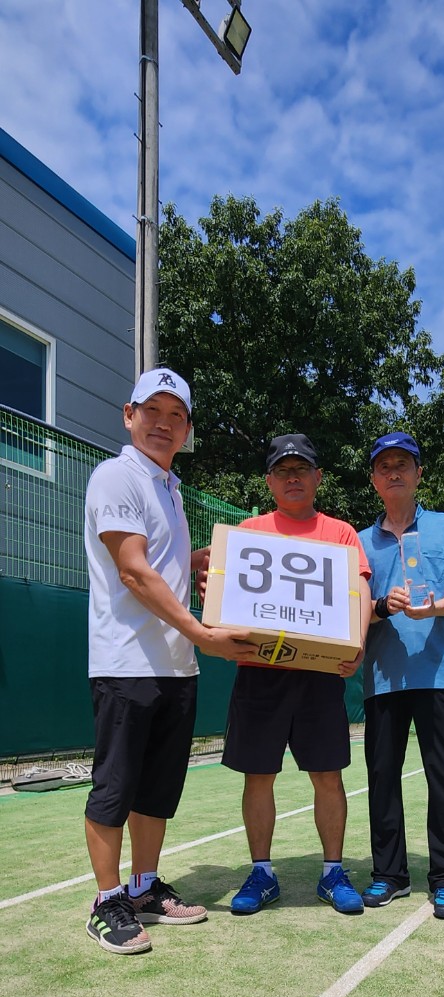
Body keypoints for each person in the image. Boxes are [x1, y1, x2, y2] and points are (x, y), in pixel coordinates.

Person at [84, 367, 254, 956]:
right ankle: (107, 901)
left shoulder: (170, 489)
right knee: (114, 788)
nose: (162, 423)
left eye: (175, 415)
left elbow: (159, 561)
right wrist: (203, 633)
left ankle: (145, 888)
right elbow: (133, 570)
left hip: (176, 668)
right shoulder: (116, 476)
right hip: (127, 664)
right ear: (128, 415)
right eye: (151, 411)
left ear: (186, 429)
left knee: (155, 791)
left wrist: (202, 556)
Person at [220, 434, 372, 916]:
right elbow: (226, 596)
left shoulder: (342, 534)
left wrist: (358, 644)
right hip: (260, 673)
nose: (292, 477)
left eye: (301, 469)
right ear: (269, 481)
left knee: (328, 775)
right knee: (258, 774)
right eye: (283, 470)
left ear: (317, 478)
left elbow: (360, 594)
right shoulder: (248, 531)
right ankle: (261, 872)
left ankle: (333, 872)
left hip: (320, 676)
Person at [358, 431, 444, 919]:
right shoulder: (360, 541)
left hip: (439, 675)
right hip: (382, 679)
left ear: (418, 474)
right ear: (373, 479)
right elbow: (352, 609)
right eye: (384, 465)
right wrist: (382, 607)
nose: (393, 472)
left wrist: (436, 610)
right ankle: (389, 875)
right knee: (382, 777)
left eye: (402, 464)